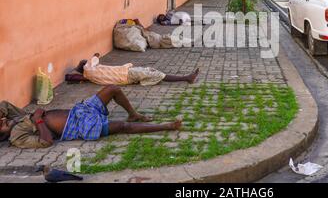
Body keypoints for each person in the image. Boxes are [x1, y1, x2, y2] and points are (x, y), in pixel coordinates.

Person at [0, 85, 182, 149]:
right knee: (121, 127)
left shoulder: (14, 119)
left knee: (113, 89)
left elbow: (4, 105)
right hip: (80, 127)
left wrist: (4, 119)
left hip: (80, 111)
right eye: (0, 125)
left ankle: (134, 114)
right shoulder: (17, 136)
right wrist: (38, 119)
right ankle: (167, 126)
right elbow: (46, 142)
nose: (3, 120)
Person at [72, 54, 199, 86]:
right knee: (156, 74)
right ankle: (187, 78)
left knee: (152, 72)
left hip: (125, 76)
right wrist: (95, 55)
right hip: (125, 74)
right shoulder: (89, 69)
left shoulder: (90, 75)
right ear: (85, 66)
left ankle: (186, 77)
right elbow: (95, 57)